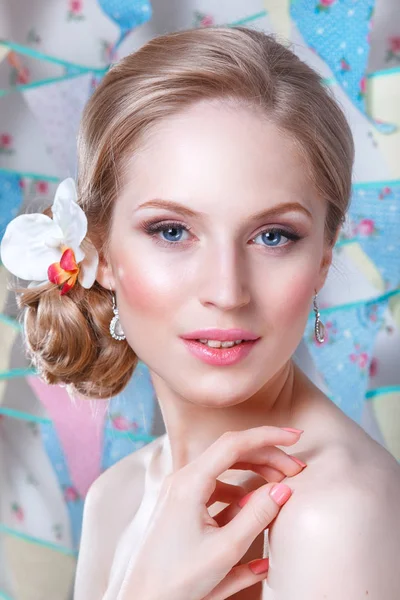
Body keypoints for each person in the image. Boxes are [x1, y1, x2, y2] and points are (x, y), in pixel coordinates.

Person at [1, 26, 400, 600]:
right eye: (172, 230)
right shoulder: (118, 496)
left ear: (321, 261)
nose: (227, 290)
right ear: (99, 255)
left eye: (272, 236)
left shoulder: (333, 515)